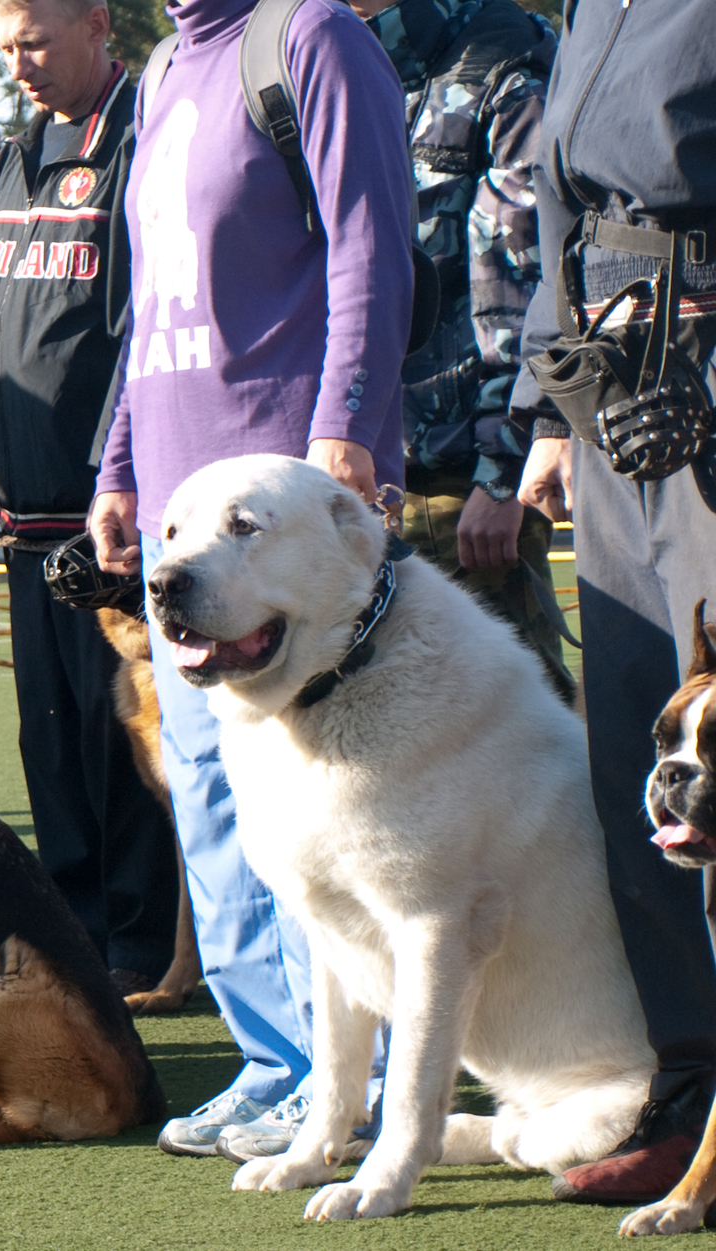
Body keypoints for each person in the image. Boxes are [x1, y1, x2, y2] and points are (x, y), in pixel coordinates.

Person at [86, 0, 416, 1158]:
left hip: (284, 523)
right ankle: (270, 1059)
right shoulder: (167, 64)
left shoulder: (309, 35)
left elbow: (371, 237)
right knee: (215, 809)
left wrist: (346, 430)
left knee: (315, 815)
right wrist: (119, 464)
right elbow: (149, 302)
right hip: (183, 526)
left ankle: (350, 1077)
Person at [510, 0, 716, 1210]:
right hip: (614, 386)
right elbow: (557, 208)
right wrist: (548, 406)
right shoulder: (588, 7)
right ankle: (688, 1096)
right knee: (638, 752)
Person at [0, 0, 179, 1001]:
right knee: (50, 739)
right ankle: (76, 933)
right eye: (1, 47)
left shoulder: (139, 140)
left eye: (33, 41)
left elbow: (137, 331)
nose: (16, 64)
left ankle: (146, 942)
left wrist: (119, 478)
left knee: (122, 744)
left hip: (109, 524)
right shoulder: (10, 160)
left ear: (93, 24)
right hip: (19, 522)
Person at [348, 0, 569, 701]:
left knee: (522, 730)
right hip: (360, 476)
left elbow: (534, 278)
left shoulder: (508, 61)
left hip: (463, 489)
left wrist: (502, 471)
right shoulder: (325, 61)